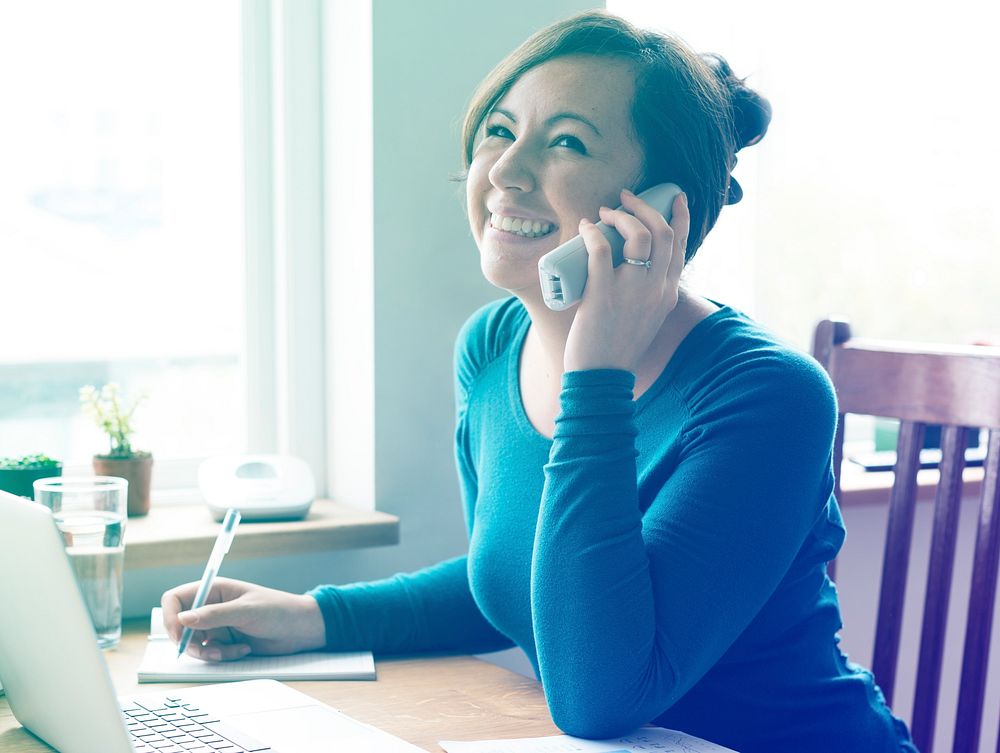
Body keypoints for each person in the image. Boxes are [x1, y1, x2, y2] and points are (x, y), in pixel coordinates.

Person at [162, 11, 918, 752]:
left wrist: (596, 372)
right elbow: (527, 579)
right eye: (499, 130)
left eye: (565, 143)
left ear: (660, 207)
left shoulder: (767, 394)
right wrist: (313, 616)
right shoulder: (493, 346)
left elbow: (599, 696)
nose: (506, 172)